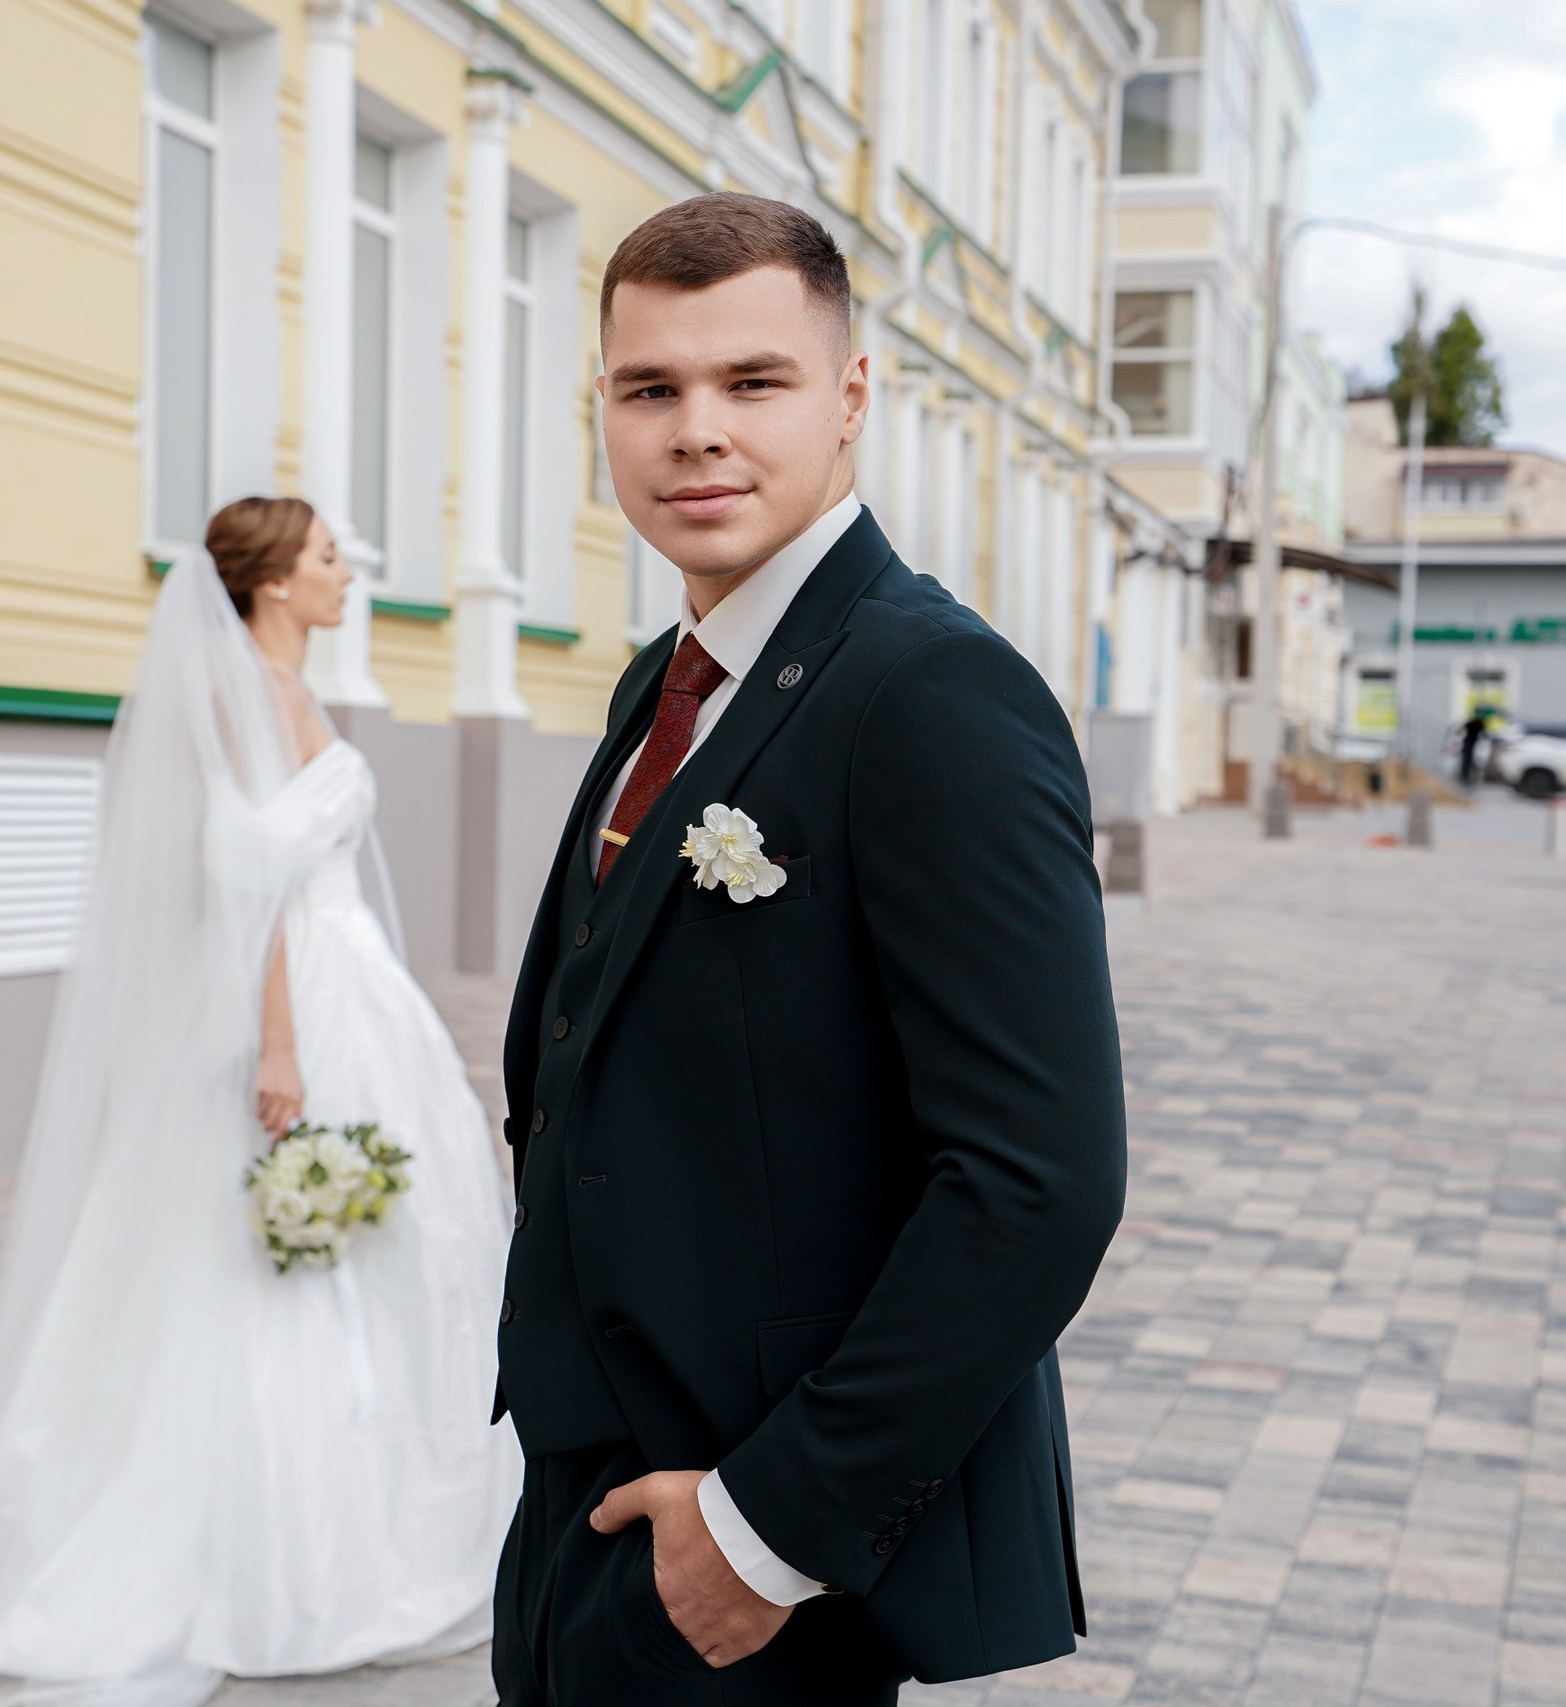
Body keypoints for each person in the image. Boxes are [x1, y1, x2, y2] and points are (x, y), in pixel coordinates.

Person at [490, 194, 1125, 1706]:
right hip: (593, 1484)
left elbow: (1038, 1183)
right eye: (652, 389)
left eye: (751, 382)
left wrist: (763, 1533)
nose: (696, 431)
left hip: (762, 1532)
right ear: (606, 412)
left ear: (848, 399)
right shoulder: (672, 672)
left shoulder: (934, 695)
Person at [0, 498, 522, 1706]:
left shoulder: (292, 694)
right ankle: (264, 1549)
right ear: (277, 583)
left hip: (361, 999)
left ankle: (375, 1515)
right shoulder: (236, 697)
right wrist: (278, 1047)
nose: (350, 574)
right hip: (293, 1010)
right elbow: (248, 887)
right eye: (332, 558)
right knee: (264, 1271)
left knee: (397, 1256)